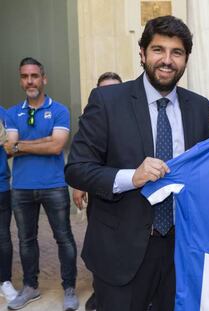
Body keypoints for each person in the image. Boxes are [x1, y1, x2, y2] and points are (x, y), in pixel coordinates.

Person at [65, 15, 209, 311]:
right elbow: (77, 168)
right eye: (158, 50)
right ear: (143, 53)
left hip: (180, 251)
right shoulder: (107, 101)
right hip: (120, 251)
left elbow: (207, 172)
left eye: (177, 52)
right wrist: (130, 177)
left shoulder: (199, 107)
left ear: (186, 59)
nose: (167, 60)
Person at [3, 57, 79, 310]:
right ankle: (30, 287)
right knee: (26, 239)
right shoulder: (14, 113)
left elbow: (57, 145)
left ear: (43, 79)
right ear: (21, 80)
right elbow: (9, 148)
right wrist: (41, 143)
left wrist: (23, 144)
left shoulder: (58, 110)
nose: (29, 81)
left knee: (64, 238)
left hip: (54, 185)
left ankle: (69, 287)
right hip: (22, 187)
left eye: (34, 76)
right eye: (25, 76)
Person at [71, 71, 122, 311]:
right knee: (100, 248)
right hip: (100, 196)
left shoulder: (135, 117)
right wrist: (80, 185)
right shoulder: (92, 117)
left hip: (130, 197)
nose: (110, 95)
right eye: (104, 90)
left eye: (115, 89)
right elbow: (83, 158)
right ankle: (99, 292)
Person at [0, 110, 17, 303]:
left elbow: (11, 148)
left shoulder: (4, 114)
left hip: (1, 185)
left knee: (3, 236)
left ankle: (5, 280)